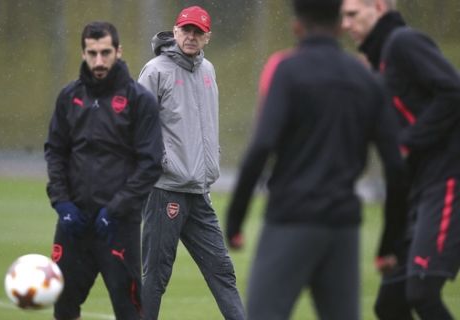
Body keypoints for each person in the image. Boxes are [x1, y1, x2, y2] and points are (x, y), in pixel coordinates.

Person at [225, 0, 407, 318]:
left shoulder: (287, 70)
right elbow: (395, 164)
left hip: (290, 218)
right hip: (342, 224)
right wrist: (389, 243)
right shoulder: (365, 78)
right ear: (339, 25)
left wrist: (236, 219)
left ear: (297, 26)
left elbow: (261, 146)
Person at [342, 1, 460, 319]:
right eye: (342, 16)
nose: (345, 24)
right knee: (390, 305)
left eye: (352, 14)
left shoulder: (402, 42)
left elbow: (453, 92)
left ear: (379, 7)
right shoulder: (379, 63)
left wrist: (407, 143)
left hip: (448, 179)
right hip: (419, 189)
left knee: (422, 291)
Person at [44, 21, 163, 320]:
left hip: (118, 226)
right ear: (83, 53)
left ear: (118, 51)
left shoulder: (140, 101)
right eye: (92, 53)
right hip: (74, 223)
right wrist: (62, 203)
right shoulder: (68, 97)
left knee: (129, 309)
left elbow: (150, 164)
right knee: (64, 306)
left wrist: (116, 209)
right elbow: (55, 152)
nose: (99, 61)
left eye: (105, 52)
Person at [137, 6, 245, 320]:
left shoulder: (208, 71)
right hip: (164, 191)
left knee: (222, 271)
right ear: (175, 30)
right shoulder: (155, 70)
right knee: (155, 277)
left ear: (207, 36)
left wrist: (211, 162)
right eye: (186, 30)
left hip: (199, 191)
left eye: (198, 32)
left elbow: (205, 126)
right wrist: (163, 163)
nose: (191, 37)